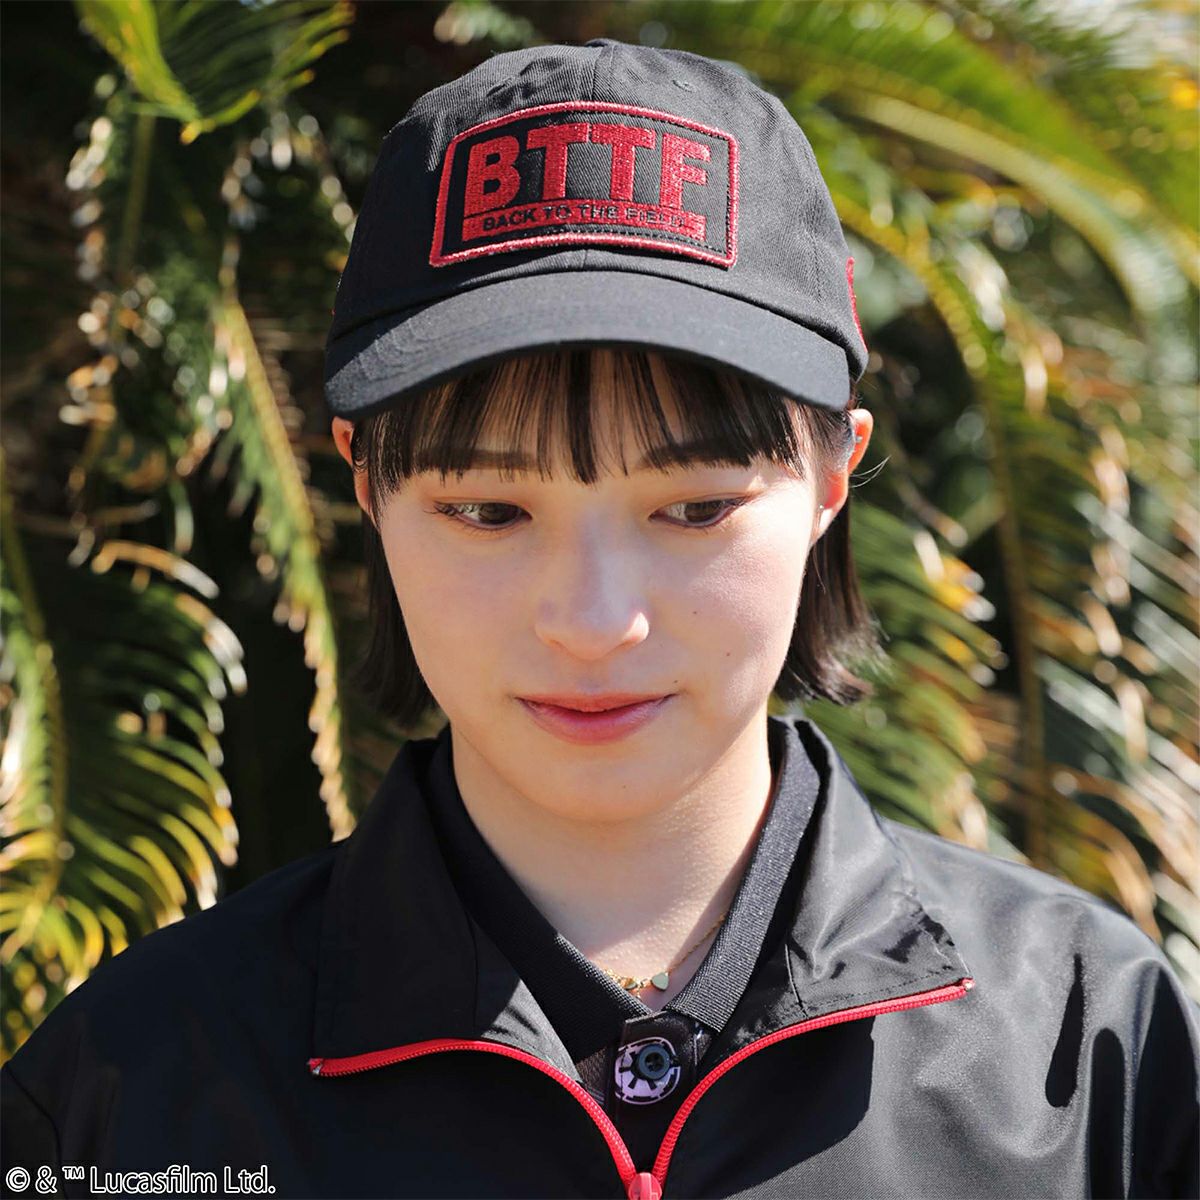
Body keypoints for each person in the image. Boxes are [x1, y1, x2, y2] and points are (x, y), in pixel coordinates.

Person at [2, 37, 1197, 1200]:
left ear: (834, 477)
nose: (591, 621)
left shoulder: (1089, 1052)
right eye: (488, 510)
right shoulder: (130, 1091)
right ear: (364, 480)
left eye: (693, 508)